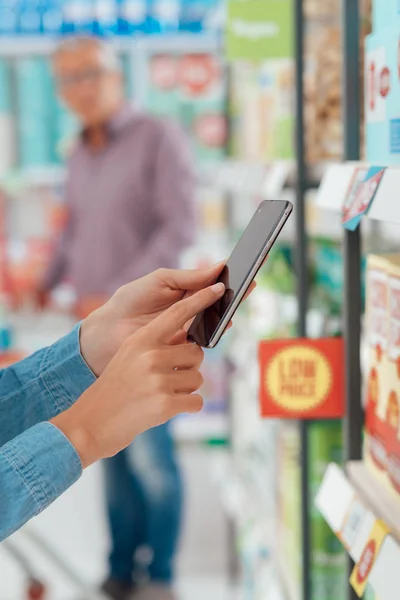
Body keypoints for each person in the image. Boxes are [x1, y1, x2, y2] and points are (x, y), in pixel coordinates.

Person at [37, 36, 196, 600]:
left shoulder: (159, 137)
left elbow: (176, 229)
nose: (79, 89)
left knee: (153, 461)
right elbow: (73, 231)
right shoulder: (77, 153)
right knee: (109, 455)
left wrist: (111, 293)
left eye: (89, 74)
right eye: (66, 80)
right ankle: (121, 571)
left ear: (116, 75)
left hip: (150, 329)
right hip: (95, 338)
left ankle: (160, 580)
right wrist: (45, 281)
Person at [1, 266, 226, 542]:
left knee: (148, 471)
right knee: (128, 479)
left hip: (119, 341)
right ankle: (125, 571)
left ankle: (157, 574)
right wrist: (83, 430)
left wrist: (87, 352)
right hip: (108, 353)